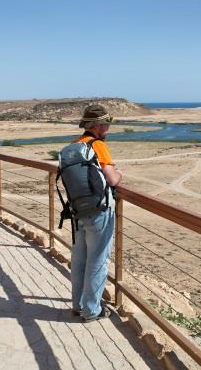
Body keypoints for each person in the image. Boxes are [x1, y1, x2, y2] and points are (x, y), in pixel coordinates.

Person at [70, 104, 122, 323]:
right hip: (98, 213)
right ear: (98, 126)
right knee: (98, 261)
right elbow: (112, 179)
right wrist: (119, 172)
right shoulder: (97, 145)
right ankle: (92, 310)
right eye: (106, 124)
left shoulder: (74, 145)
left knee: (80, 259)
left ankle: (77, 305)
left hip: (77, 210)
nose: (108, 128)